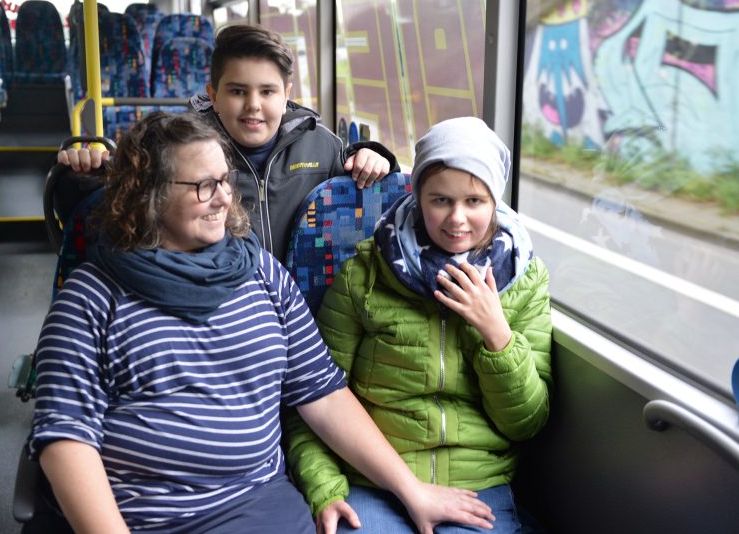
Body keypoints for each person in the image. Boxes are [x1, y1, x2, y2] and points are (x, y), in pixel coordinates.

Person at [27, 112, 495, 534]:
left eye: (225, 181)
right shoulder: (91, 298)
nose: (223, 199)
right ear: (147, 195)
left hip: (256, 506)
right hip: (140, 514)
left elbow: (324, 396)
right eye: (202, 186)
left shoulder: (262, 275)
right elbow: (66, 438)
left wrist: (411, 490)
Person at [284, 117, 553, 533]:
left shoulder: (523, 280)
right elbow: (314, 399)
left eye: (475, 202)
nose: (457, 219)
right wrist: (325, 489)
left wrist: (496, 333)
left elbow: (526, 423)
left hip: (478, 483)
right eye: (440, 200)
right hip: (374, 479)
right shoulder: (365, 273)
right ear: (417, 196)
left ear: (495, 202)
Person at [60, 23, 397, 263]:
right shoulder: (180, 152)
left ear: (286, 96)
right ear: (213, 96)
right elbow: (113, 215)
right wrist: (82, 178)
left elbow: (367, 204)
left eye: (267, 92)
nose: (253, 105)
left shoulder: (320, 145)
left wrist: (374, 157)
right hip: (220, 305)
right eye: (237, 91)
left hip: (307, 305)